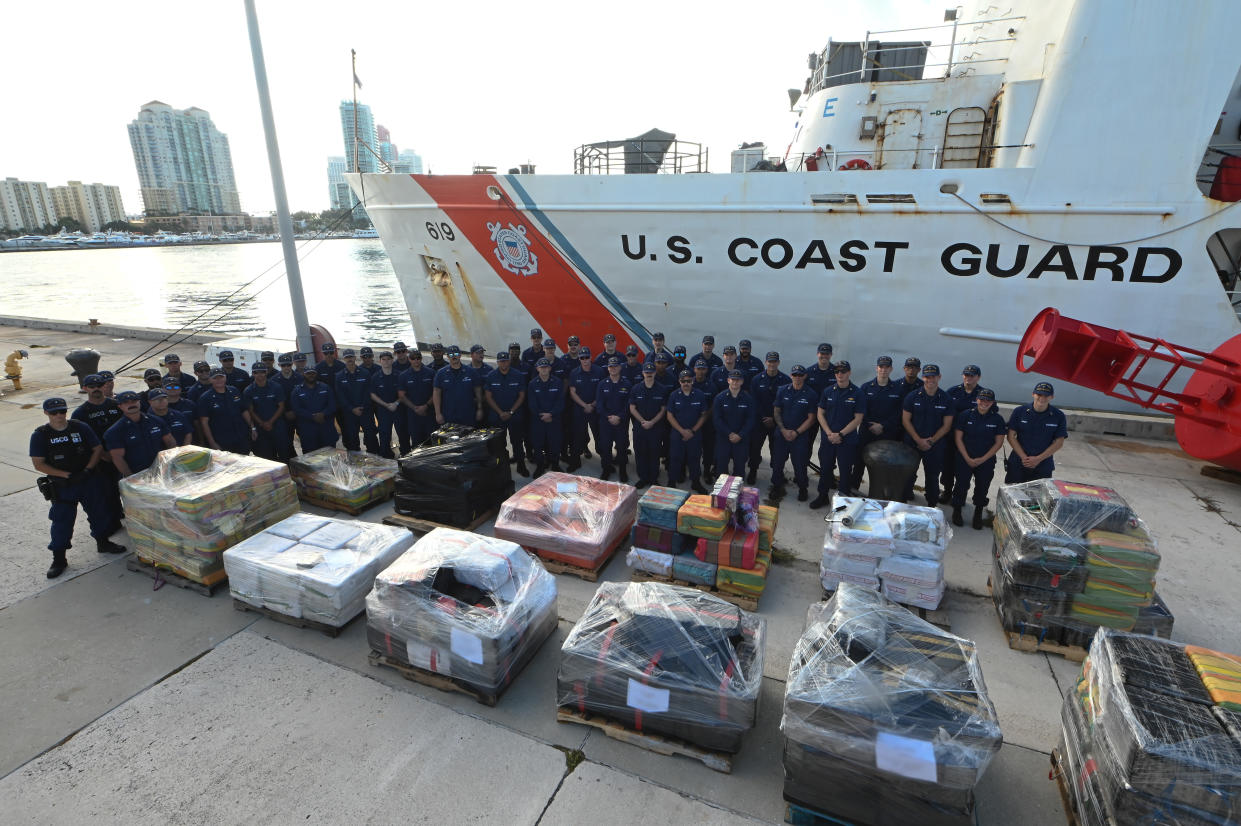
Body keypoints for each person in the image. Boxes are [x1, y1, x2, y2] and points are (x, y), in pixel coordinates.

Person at [30, 397, 124, 578]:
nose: (59, 415)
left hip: (88, 480)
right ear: (46, 413)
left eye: (62, 411)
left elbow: (97, 449)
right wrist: (65, 475)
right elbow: (38, 464)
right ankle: (59, 559)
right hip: (64, 485)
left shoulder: (80, 427)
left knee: (99, 513)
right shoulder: (41, 435)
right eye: (54, 412)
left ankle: (103, 542)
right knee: (62, 522)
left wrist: (88, 470)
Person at [811, 362, 866, 508]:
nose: (840, 374)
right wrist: (829, 433)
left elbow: (858, 418)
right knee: (825, 468)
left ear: (849, 373)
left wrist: (840, 434)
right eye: (837, 372)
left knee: (845, 470)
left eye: (843, 371)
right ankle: (822, 496)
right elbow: (820, 413)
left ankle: (842, 502)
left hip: (847, 439)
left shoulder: (857, 393)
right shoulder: (828, 391)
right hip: (828, 438)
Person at [952, 387, 1006, 529]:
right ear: (977, 400)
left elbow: (999, 442)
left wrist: (983, 459)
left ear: (993, 403)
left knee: (982, 487)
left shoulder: (997, 419)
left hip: (986, 460)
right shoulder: (965, 415)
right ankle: (957, 511)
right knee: (961, 485)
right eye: (982, 399)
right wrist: (967, 457)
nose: (984, 403)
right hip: (965, 457)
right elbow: (958, 438)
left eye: (988, 401)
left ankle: (978, 513)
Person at [901, 364, 954, 506]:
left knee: (932, 476)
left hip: (935, 445)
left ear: (939, 377)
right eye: (927, 376)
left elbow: (947, 425)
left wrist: (930, 441)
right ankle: (903, 501)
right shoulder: (912, 397)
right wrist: (918, 440)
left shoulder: (946, 399)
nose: (930, 380)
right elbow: (905, 420)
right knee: (908, 473)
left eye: (933, 376)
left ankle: (932, 505)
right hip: (913, 443)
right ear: (923, 377)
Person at [72, 373, 123, 517]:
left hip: (123, 454)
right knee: (109, 492)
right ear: (84, 388)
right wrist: (102, 455)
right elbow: (82, 441)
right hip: (103, 460)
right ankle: (116, 518)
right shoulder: (80, 413)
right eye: (92, 386)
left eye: (99, 385)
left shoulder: (117, 405)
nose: (96, 389)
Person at [852, 355, 905, 493]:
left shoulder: (897, 390)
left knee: (882, 467)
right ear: (877, 368)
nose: (884, 370)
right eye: (881, 367)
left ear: (891, 369)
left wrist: (883, 426)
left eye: (887, 367)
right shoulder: (865, 387)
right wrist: (871, 426)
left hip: (886, 434)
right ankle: (853, 490)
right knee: (859, 463)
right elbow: (860, 411)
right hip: (866, 433)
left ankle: (877, 494)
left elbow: (898, 414)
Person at [1005, 381, 1068, 483]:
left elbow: (1059, 442)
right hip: (1019, 462)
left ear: (1052, 397)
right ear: (1033, 394)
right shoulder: (1019, 411)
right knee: (1012, 494)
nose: (1042, 398)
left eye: (1046, 395)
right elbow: (1011, 436)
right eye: (1039, 394)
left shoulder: (1058, 416)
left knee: (1038, 497)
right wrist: (1024, 457)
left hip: (1043, 465)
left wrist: (1038, 459)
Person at [771, 364, 818, 501]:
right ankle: (776, 486)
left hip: (800, 437)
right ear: (791, 375)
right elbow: (777, 411)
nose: (797, 378)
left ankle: (803, 488)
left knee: (800, 464)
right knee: (778, 462)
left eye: (800, 375)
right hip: (781, 434)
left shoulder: (811, 394)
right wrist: (783, 429)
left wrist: (796, 432)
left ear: (805, 376)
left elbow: (812, 418)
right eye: (795, 375)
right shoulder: (782, 390)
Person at [105, 390, 175, 476]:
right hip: (138, 475)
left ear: (139, 402)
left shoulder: (156, 421)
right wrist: (131, 478)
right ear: (120, 406)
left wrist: (170, 465)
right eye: (126, 402)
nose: (131, 404)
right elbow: (118, 458)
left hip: (163, 470)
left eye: (134, 401)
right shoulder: (115, 431)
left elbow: (170, 443)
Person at [942, 365, 983, 503]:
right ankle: (947, 491)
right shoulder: (952, 392)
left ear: (978, 377)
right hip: (950, 438)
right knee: (947, 467)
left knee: (963, 472)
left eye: (972, 375)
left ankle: (960, 496)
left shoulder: (983, 395)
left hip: (970, 441)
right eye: (966, 375)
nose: (968, 378)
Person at [484, 351, 529, 476]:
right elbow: (488, 396)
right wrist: (500, 412)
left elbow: (521, 395)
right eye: (501, 361)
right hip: (497, 416)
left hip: (515, 415)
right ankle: (502, 466)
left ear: (509, 361)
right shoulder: (491, 376)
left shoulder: (518, 375)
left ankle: (521, 465)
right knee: (499, 443)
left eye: (506, 360)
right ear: (497, 362)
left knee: (517, 442)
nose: (503, 363)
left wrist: (511, 412)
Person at [750, 351, 790, 484]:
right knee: (755, 448)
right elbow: (754, 402)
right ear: (766, 362)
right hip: (759, 421)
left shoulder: (785, 380)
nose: (772, 364)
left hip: (777, 422)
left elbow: (786, 403)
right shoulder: (756, 379)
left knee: (777, 451)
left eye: (774, 361)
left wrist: (774, 419)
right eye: (769, 361)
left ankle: (777, 474)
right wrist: (763, 417)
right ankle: (753, 471)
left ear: (778, 363)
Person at [666, 370, 709, 493]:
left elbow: (704, 415)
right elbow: (669, 415)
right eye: (683, 381)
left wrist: (692, 431)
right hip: (677, 433)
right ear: (679, 381)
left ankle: (696, 482)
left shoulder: (699, 395)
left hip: (694, 434)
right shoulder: (674, 395)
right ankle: (671, 481)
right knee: (674, 458)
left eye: (689, 381)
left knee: (694, 458)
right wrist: (682, 431)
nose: (686, 383)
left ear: (693, 381)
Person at [629, 362, 668, 489]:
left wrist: (652, 422)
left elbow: (663, 409)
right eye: (647, 372)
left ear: (655, 373)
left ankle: (653, 478)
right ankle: (643, 478)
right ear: (643, 373)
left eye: (651, 372)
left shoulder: (662, 389)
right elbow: (632, 408)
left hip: (656, 428)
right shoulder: (636, 388)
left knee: (654, 453)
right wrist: (642, 422)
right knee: (640, 453)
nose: (649, 374)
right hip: (640, 427)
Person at [197, 368, 253, 454]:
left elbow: (244, 411)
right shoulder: (205, 398)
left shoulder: (234, 390)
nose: (219, 380)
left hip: (241, 437)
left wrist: (253, 428)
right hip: (223, 441)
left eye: (221, 377)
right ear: (210, 380)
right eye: (215, 378)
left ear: (225, 378)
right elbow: (204, 423)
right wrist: (212, 443)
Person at [713, 369, 755, 478]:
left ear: (742, 382)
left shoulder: (748, 399)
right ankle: (721, 492)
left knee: (740, 468)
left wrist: (740, 435)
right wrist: (729, 433)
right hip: (724, 437)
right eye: (733, 379)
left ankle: (736, 491)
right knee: (721, 467)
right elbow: (717, 419)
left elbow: (750, 420)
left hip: (741, 439)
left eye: (738, 380)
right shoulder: (719, 398)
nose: (735, 382)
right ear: (728, 380)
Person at [595, 356, 631, 482]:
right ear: (608, 368)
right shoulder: (602, 384)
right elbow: (599, 405)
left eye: (616, 366)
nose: (613, 368)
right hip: (606, 422)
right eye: (611, 366)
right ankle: (606, 469)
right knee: (606, 448)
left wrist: (619, 417)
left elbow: (628, 405)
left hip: (621, 423)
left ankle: (622, 471)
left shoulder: (627, 384)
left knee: (621, 448)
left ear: (620, 367)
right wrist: (608, 417)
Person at [527, 358, 565, 476]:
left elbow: (560, 402)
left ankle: (555, 464)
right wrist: (542, 415)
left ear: (549, 368)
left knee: (555, 442)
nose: (544, 369)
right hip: (538, 420)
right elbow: (532, 404)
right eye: (541, 367)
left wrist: (551, 414)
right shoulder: (532, 384)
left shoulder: (557, 382)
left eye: (546, 367)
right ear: (537, 369)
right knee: (538, 444)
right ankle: (540, 466)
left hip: (554, 419)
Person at [335, 348, 378, 453]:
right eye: (347, 357)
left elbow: (368, 393)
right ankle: (355, 463)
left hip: (366, 411)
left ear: (355, 358)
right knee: (352, 440)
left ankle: (374, 461)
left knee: (371, 438)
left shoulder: (365, 373)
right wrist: (352, 409)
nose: (349, 359)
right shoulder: (339, 376)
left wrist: (362, 407)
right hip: (349, 413)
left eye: (351, 357)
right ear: (344, 359)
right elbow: (340, 396)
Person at [567, 348, 603, 471]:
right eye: (582, 358)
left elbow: (602, 391)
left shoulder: (599, 371)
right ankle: (575, 462)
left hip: (595, 409)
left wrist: (592, 405)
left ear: (591, 357)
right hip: (580, 409)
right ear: (579, 359)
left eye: (587, 357)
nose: (585, 360)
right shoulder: (574, 373)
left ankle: (606, 463)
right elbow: (572, 393)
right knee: (577, 437)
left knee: (599, 436)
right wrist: (585, 405)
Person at [244, 364, 287, 460]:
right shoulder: (248, 390)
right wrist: (262, 423)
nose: (260, 375)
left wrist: (270, 422)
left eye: (262, 372)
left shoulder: (276, 387)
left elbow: (281, 406)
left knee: (284, 454)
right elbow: (250, 410)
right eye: (256, 372)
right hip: (261, 428)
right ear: (253, 374)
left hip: (277, 426)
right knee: (267, 456)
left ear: (266, 372)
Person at [290, 367, 338, 452]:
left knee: (330, 455)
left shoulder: (326, 388)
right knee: (310, 457)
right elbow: (296, 409)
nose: (311, 375)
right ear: (303, 374)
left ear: (316, 374)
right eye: (308, 373)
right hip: (308, 430)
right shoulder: (296, 391)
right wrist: (312, 416)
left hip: (326, 427)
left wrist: (323, 414)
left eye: (313, 373)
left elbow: (332, 405)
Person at [433, 345, 482, 427]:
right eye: (451, 355)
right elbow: (436, 393)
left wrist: (480, 409)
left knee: (469, 438)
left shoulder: (471, 372)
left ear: (460, 355)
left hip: (468, 414)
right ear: (448, 356)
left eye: (456, 354)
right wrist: (438, 413)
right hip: (449, 415)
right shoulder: (441, 373)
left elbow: (478, 391)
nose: (454, 357)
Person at [398, 349, 435, 450]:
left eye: (418, 358)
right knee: (416, 441)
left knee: (431, 440)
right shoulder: (404, 375)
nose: (416, 360)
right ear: (409, 359)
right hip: (413, 414)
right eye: (413, 358)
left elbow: (435, 392)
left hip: (429, 412)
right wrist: (415, 408)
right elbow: (401, 395)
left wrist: (426, 406)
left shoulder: (431, 373)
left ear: (421, 359)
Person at [369, 351, 403, 458]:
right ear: (380, 361)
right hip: (383, 410)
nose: (386, 361)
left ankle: (406, 454)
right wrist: (386, 405)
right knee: (384, 435)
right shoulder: (375, 377)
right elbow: (372, 394)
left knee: (403, 433)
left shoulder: (399, 375)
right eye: (383, 359)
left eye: (388, 359)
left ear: (392, 360)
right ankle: (386, 456)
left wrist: (396, 403)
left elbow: (404, 393)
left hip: (398, 409)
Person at [271, 353, 301, 458]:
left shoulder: (300, 378)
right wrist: (285, 413)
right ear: (279, 365)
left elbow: (304, 398)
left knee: (306, 440)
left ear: (292, 364)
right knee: (287, 442)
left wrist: (295, 411)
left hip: (299, 415)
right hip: (284, 417)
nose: (286, 367)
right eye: (284, 365)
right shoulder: (274, 381)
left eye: (288, 365)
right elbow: (274, 402)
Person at [691, 361, 716, 480]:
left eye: (703, 369)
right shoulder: (689, 383)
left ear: (706, 370)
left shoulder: (711, 385)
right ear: (694, 369)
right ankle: (693, 471)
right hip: (692, 422)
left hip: (707, 422)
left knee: (708, 448)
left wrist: (705, 416)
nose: (700, 371)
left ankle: (706, 471)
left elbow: (713, 405)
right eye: (698, 368)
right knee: (693, 448)